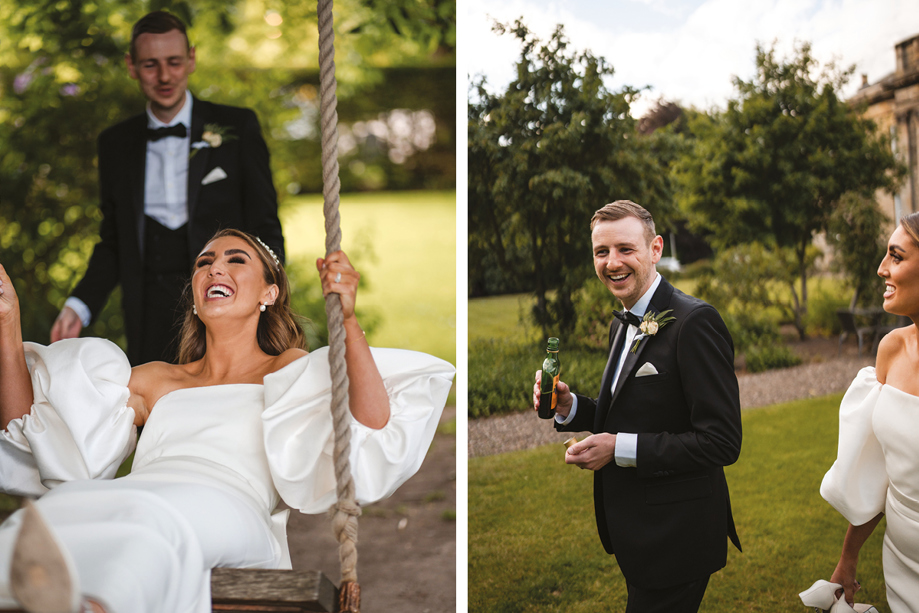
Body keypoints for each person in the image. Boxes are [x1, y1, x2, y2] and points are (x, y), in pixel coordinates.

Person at [0, 229, 454, 613]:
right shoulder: (156, 380)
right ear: (195, 293)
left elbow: (373, 424)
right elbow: (29, 432)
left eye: (236, 260)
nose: (215, 268)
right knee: (44, 517)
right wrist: (7, 320)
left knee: (151, 522)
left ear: (268, 293)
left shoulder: (288, 370)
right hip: (143, 492)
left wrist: (349, 319)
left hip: (232, 507)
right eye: (204, 262)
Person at [533, 200, 742, 613]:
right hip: (640, 534)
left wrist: (618, 448)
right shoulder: (623, 320)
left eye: (625, 249)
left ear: (655, 248)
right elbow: (628, 413)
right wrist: (570, 406)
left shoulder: (694, 323)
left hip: (677, 537)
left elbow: (721, 442)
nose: (612, 263)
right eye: (601, 252)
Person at [50, 10, 285, 365]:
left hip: (225, 301)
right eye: (150, 65)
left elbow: (265, 225)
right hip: (148, 310)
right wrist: (79, 305)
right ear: (131, 65)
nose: (164, 76)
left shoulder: (237, 127)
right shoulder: (115, 144)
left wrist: (274, 294)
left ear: (191, 59)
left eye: (174, 62)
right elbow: (114, 240)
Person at [811, 212, 919, 612]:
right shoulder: (891, 349)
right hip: (902, 559)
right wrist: (848, 556)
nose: (881, 269)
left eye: (896, 256)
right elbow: (878, 467)